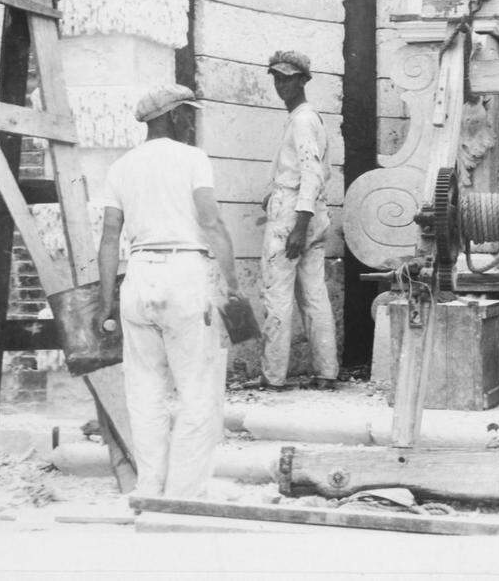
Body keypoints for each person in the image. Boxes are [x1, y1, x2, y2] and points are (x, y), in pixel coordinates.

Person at [95, 83, 240, 499]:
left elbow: (109, 238)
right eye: (187, 113)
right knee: (197, 392)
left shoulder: (121, 167)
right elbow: (211, 223)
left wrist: (107, 303)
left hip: (138, 277)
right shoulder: (193, 159)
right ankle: (181, 495)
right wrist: (231, 286)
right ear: (173, 116)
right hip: (184, 273)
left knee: (144, 392)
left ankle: (149, 489)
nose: (192, 120)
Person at [259, 50, 338, 391]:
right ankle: (326, 372)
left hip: (296, 214)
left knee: (277, 294)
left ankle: (273, 377)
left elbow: (311, 172)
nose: (282, 85)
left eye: (289, 78)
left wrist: (298, 225)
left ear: (304, 80)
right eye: (277, 78)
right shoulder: (304, 118)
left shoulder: (303, 119)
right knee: (314, 294)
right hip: (308, 210)